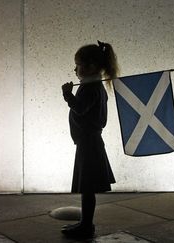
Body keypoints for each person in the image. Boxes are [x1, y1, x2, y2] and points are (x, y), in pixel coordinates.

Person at [61, 41, 119, 239]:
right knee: (87, 188)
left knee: (87, 188)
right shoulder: (94, 86)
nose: (75, 69)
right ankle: (85, 223)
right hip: (89, 142)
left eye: (78, 64)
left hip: (89, 143)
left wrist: (67, 95)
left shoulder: (91, 88)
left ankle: (86, 226)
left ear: (91, 66)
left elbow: (80, 108)